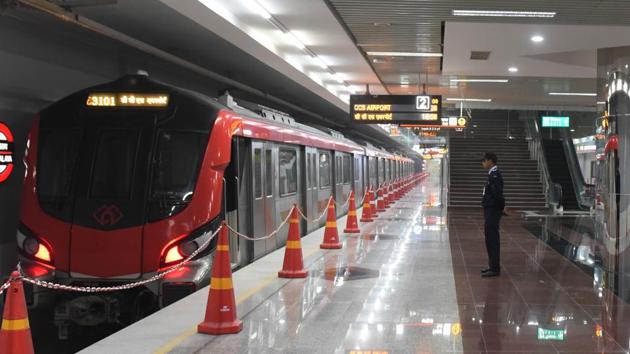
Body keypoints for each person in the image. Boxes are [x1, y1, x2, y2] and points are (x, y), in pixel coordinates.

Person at [480, 152, 505, 278]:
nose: (482, 163)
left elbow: (498, 195)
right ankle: (491, 266)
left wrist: (501, 208)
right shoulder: (492, 174)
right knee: (489, 239)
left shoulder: (495, 176)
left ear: (490, 161)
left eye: (484, 160)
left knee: (493, 239)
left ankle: (495, 268)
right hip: (491, 210)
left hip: (493, 211)